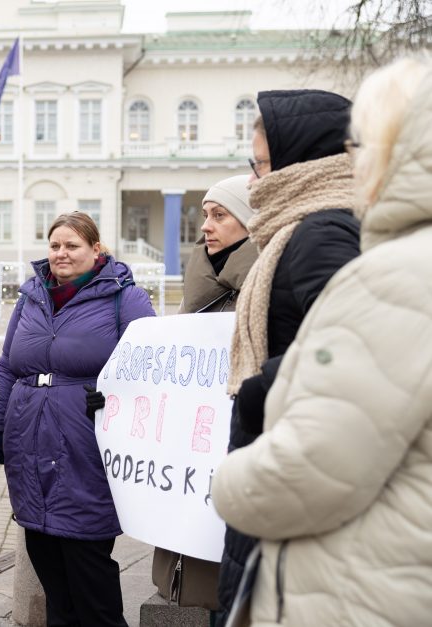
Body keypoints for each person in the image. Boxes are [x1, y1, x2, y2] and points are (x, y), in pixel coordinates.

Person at [212, 55, 432, 627]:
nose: (254, 180)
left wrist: (251, 417)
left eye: (360, 143)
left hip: (353, 580)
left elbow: (321, 455)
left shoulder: (327, 237)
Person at [215, 89, 362, 624]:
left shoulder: (321, 232)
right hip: (285, 458)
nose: (254, 181)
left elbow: (351, 347)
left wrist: (258, 390)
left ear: (301, 160)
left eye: (260, 164)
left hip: (290, 459)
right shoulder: (308, 225)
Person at [0, 212, 155, 627]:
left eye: (72, 245)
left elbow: (150, 366)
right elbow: (8, 365)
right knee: (52, 579)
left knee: (89, 577)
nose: (62, 253)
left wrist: (115, 399)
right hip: (29, 446)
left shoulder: (124, 298)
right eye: (55, 245)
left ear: (96, 250)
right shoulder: (31, 297)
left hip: (86, 446)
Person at [151, 174, 258, 618]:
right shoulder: (200, 292)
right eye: (204, 216)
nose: (205, 227)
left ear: (251, 223)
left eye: (219, 215)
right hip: (190, 452)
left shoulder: (262, 288)